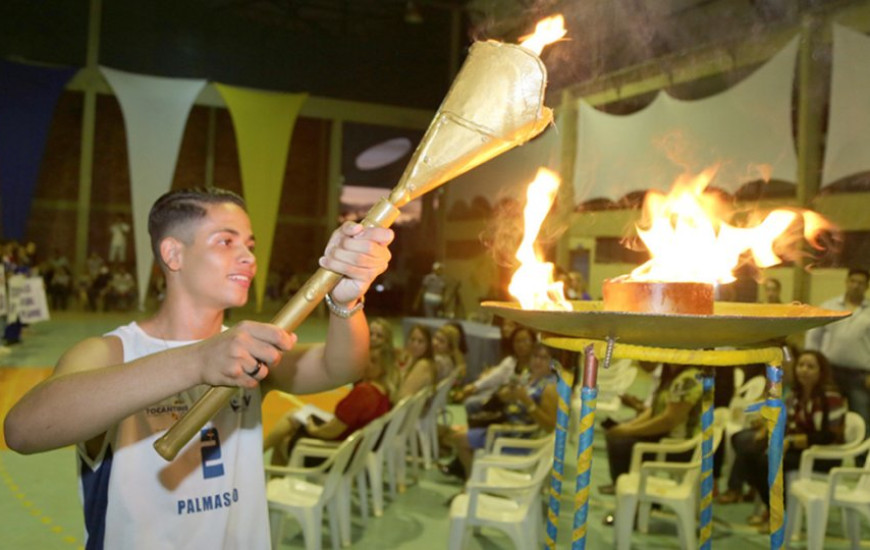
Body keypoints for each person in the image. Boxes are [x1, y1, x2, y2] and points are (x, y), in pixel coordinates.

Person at [3, 187, 393, 549]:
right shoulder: (109, 352)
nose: (248, 257)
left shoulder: (248, 351)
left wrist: (347, 300)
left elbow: (342, 366)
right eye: (226, 241)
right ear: (173, 254)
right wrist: (197, 361)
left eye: (249, 244)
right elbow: (23, 431)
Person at [739, 350, 846, 529]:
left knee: (767, 461)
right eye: (801, 365)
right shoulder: (795, 395)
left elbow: (828, 436)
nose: (804, 370)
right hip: (798, 449)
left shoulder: (830, 397)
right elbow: (786, 422)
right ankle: (771, 507)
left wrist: (791, 440)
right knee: (750, 451)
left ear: (821, 371)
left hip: (822, 455)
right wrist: (768, 430)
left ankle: (780, 514)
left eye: (810, 367)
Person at [263, 342, 398, 466]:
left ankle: (261, 460)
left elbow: (330, 432)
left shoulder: (364, 393)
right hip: (354, 451)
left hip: (338, 454)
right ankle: (260, 454)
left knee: (282, 441)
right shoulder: (384, 392)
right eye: (367, 358)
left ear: (384, 368)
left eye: (373, 361)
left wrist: (312, 428)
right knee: (292, 417)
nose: (366, 363)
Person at [441, 342, 558, 480]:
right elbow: (509, 399)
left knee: (458, 438)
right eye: (535, 356)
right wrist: (507, 394)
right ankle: (474, 478)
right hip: (504, 427)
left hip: (517, 439)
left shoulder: (549, 388)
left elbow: (550, 426)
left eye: (544, 358)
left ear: (552, 363)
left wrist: (527, 402)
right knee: (455, 432)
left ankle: (472, 482)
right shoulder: (528, 377)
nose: (538, 361)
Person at [600, 364, 703, 497]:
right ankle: (624, 489)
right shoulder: (672, 376)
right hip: (669, 438)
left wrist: (628, 431)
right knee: (617, 434)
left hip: (682, 447)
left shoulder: (689, 379)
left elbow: (668, 421)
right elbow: (654, 411)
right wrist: (628, 427)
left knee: (621, 443)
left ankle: (633, 496)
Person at [805, 267, 870, 438]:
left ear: (867, 287)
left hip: (860, 376)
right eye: (853, 281)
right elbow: (813, 336)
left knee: (862, 416)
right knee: (828, 415)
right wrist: (812, 364)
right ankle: (827, 458)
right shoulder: (829, 307)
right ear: (846, 283)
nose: (856, 286)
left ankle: (860, 461)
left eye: (861, 283)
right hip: (829, 372)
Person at [454, 326, 536, 415]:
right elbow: (492, 378)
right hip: (502, 399)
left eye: (525, 341)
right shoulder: (510, 361)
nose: (520, 345)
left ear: (533, 343)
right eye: (516, 341)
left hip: (523, 403)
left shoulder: (537, 365)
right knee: (470, 403)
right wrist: (473, 387)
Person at [396, 324, 436, 401]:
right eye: (412, 339)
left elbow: (403, 396)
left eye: (420, 341)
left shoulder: (423, 365)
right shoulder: (415, 359)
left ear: (428, 345)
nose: (415, 344)